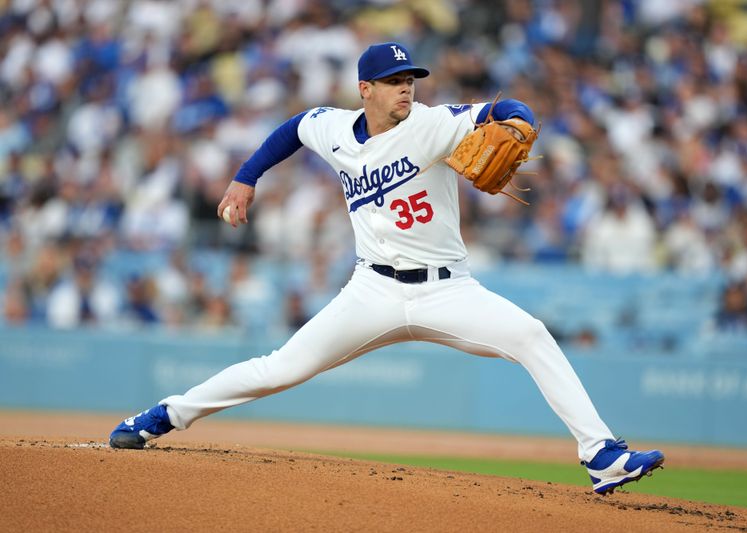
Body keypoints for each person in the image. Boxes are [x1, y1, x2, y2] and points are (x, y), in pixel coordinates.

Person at [109, 42, 664, 495]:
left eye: (411, 80)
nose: (406, 88)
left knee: (531, 335)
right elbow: (296, 127)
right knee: (278, 369)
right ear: (365, 90)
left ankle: (601, 455)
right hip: (371, 290)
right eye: (395, 80)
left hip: (449, 290)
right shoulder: (334, 129)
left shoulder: (434, 124)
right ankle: (161, 417)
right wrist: (247, 176)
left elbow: (501, 110)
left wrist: (520, 120)